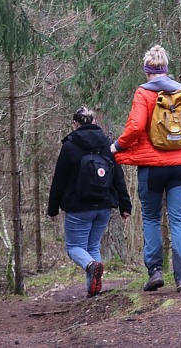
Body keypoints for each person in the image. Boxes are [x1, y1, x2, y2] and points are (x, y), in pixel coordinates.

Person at [110, 45, 181, 293]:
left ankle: (155, 273)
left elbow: (136, 126)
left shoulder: (143, 93)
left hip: (151, 168)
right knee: (179, 220)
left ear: (147, 70)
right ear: (166, 69)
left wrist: (118, 146)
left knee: (151, 217)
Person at [48, 106, 132, 297]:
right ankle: (93, 290)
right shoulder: (106, 144)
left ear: (75, 124)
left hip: (78, 207)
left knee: (74, 248)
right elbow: (117, 176)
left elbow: (59, 180)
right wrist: (124, 205)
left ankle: (90, 265)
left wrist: (53, 208)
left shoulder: (69, 146)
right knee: (93, 246)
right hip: (103, 206)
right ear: (95, 122)